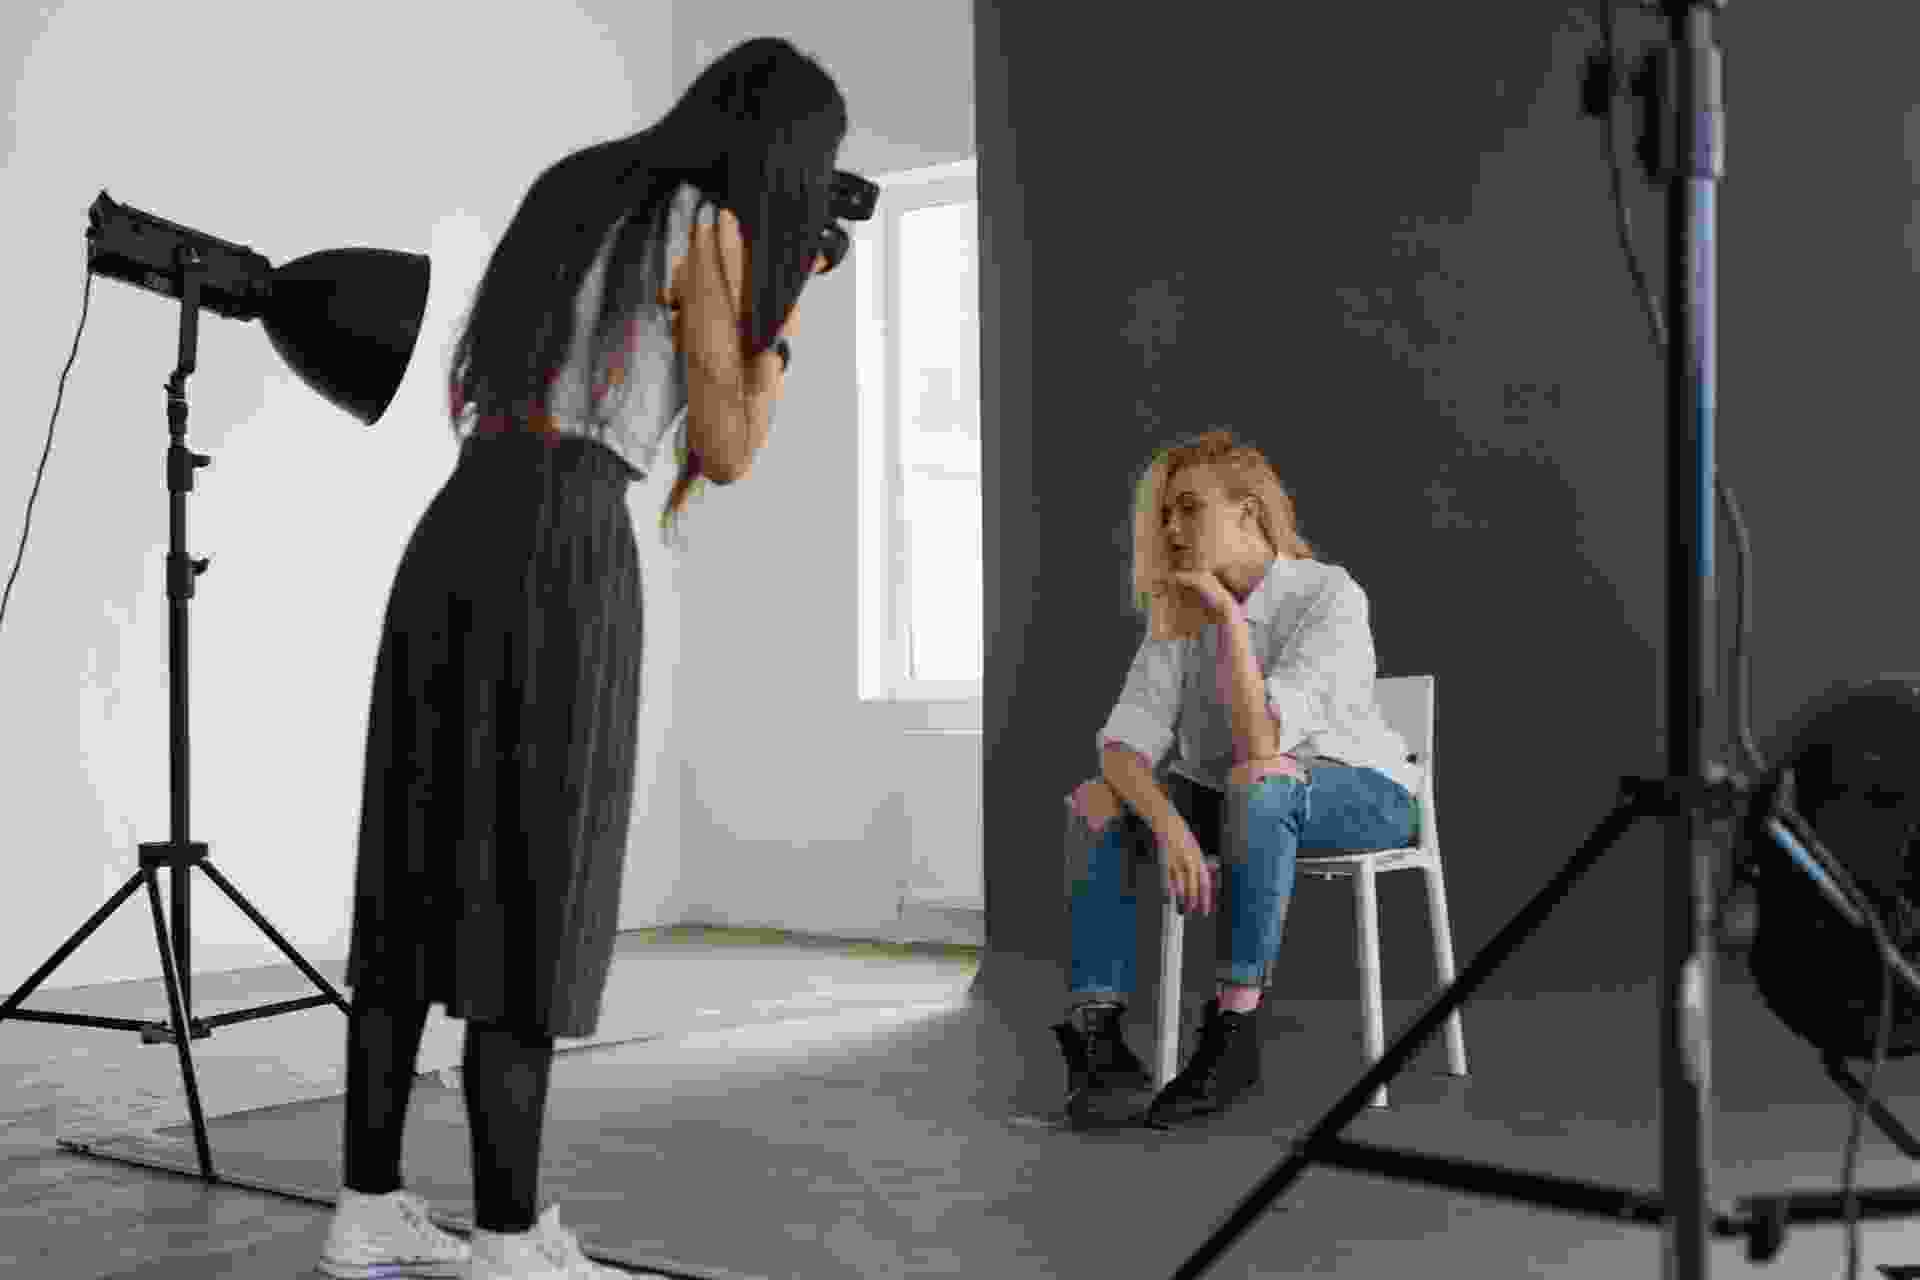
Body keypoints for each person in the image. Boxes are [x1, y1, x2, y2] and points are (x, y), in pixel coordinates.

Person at [316, 36, 847, 1280]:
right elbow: (726, 445)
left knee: (412, 876)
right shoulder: (710, 224)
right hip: (566, 537)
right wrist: (784, 323)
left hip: (460, 522)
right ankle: (508, 1235)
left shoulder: (576, 188)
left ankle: (366, 1205)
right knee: (535, 878)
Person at [1056, 428, 1423, 1130]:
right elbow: (1124, 747)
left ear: (1248, 512)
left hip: (1362, 792)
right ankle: (1100, 1041)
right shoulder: (1177, 612)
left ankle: (1234, 1031)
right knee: (1098, 801)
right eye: (1167, 513)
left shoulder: (1327, 595)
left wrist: (1228, 617)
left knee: (1260, 779)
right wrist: (1169, 826)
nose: (1172, 528)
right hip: (1233, 794)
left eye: (1190, 508)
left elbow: (1263, 743)